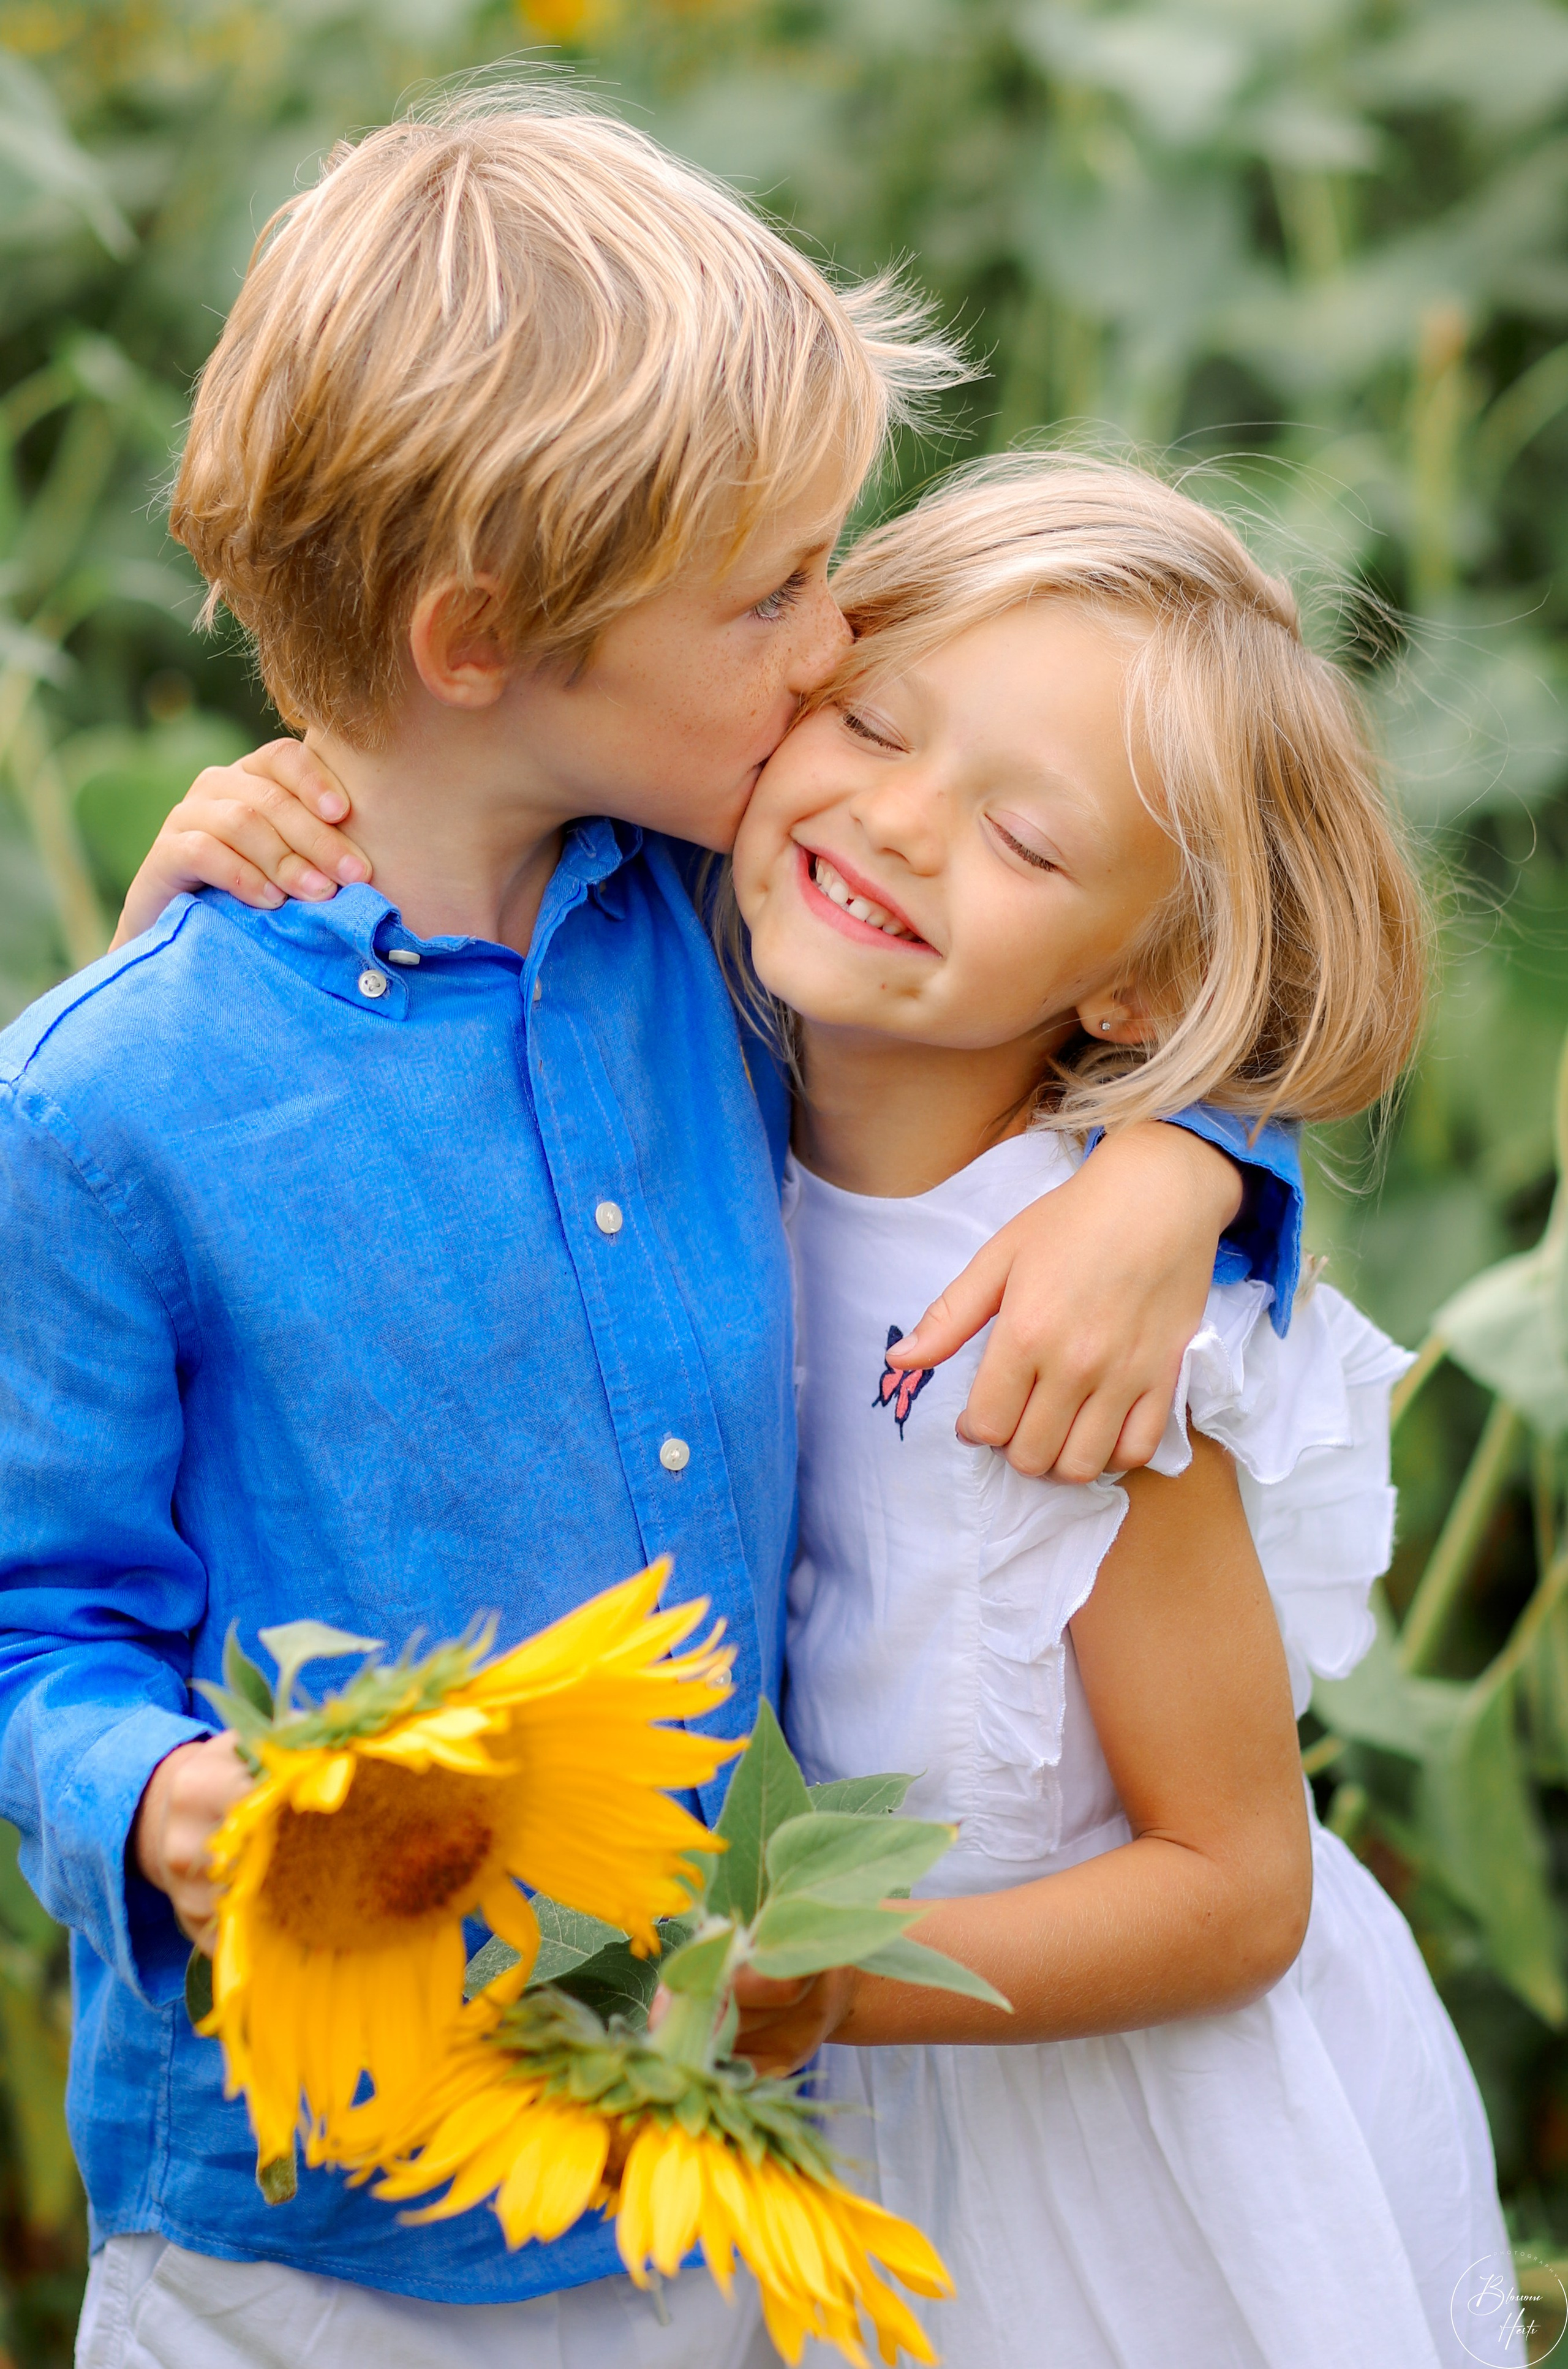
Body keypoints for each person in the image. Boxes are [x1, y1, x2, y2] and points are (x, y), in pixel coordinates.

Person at [0, 94, 1301, 2369]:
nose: (832, 646)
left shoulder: (709, 931)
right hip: (295, 2234)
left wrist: (1190, 1168)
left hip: (701, 2158)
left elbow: (1129, 978)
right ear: (486, 637)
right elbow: (35, 1622)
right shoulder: (115, 1103)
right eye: (773, 592)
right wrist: (157, 1798)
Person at [710, 455, 1512, 2368]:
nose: (897, 821)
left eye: (1028, 842)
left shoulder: (1085, 1349)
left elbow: (1241, 1889)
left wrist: (820, 1986)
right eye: (873, 720)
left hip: (1108, 2181)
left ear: (1145, 983)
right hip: (832, 2117)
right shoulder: (683, 1097)